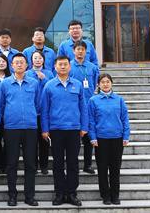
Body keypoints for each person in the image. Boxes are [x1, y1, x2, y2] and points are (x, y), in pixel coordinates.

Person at [41, 55, 88, 207]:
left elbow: (83, 107)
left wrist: (84, 126)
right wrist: (45, 129)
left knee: (73, 163)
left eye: (65, 64)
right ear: (55, 67)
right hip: (56, 130)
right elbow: (44, 109)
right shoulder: (49, 86)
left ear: (69, 66)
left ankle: (72, 193)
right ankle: (60, 193)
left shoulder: (77, 85)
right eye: (60, 64)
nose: (63, 67)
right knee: (58, 163)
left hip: (74, 129)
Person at [0, 53, 40, 207]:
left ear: (27, 65)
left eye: (22, 62)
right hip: (11, 128)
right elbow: (1, 105)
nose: (19, 65)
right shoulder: (5, 84)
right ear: (12, 65)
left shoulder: (34, 83)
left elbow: (38, 104)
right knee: (11, 164)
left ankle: (29, 196)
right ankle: (12, 196)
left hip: (30, 128)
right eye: (16, 62)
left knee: (30, 164)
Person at [88, 73, 131, 206]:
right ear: (98, 85)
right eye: (102, 82)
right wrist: (93, 137)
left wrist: (126, 135)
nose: (105, 84)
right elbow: (91, 121)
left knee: (115, 169)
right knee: (102, 169)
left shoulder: (119, 100)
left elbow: (125, 118)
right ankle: (105, 195)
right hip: (101, 139)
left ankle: (115, 195)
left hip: (117, 138)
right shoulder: (93, 100)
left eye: (108, 82)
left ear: (111, 83)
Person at [70, 41, 100, 175]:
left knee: (88, 138)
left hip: (88, 106)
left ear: (86, 51)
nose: (80, 51)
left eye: (82, 49)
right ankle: (74, 165)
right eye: (78, 49)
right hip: (74, 106)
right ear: (73, 51)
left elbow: (95, 85)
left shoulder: (92, 67)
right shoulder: (69, 66)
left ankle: (88, 165)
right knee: (74, 140)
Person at [28, 50, 51, 174]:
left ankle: (44, 166)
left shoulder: (49, 73)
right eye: (35, 58)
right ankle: (34, 166)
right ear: (31, 60)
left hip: (45, 113)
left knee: (44, 140)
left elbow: (52, 88)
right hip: (32, 112)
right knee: (32, 142)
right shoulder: (27, 73)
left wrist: (44, 79)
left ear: (43, 60)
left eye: (40, 58)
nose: (37, 60)